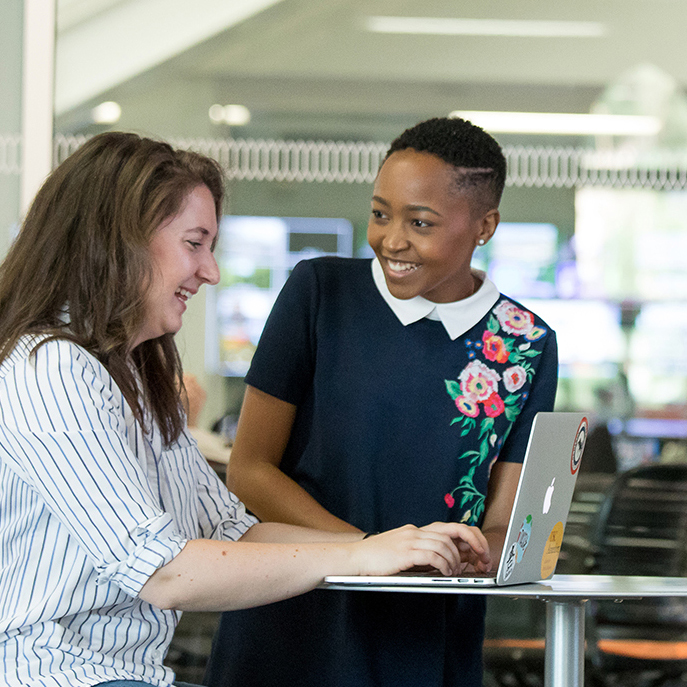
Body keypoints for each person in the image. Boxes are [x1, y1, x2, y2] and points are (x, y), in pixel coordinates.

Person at [0, 131, 492, 687]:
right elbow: (165, 572)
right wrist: (359, 558)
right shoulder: (51, 368)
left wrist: (384, 549)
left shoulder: (132, 378)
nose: (210, 272)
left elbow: (234, 531)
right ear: (120, 242)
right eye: (194, 243)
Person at [204, 117, 559, 687]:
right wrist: (368, 552)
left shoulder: (525, 343)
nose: (393, 239)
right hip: (291, 611)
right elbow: (249, 471)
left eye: (420, 222)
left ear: (485, 226)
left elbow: (509, 530)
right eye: (380, 213)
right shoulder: (318, 294)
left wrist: (483, 552)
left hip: (424, 633)